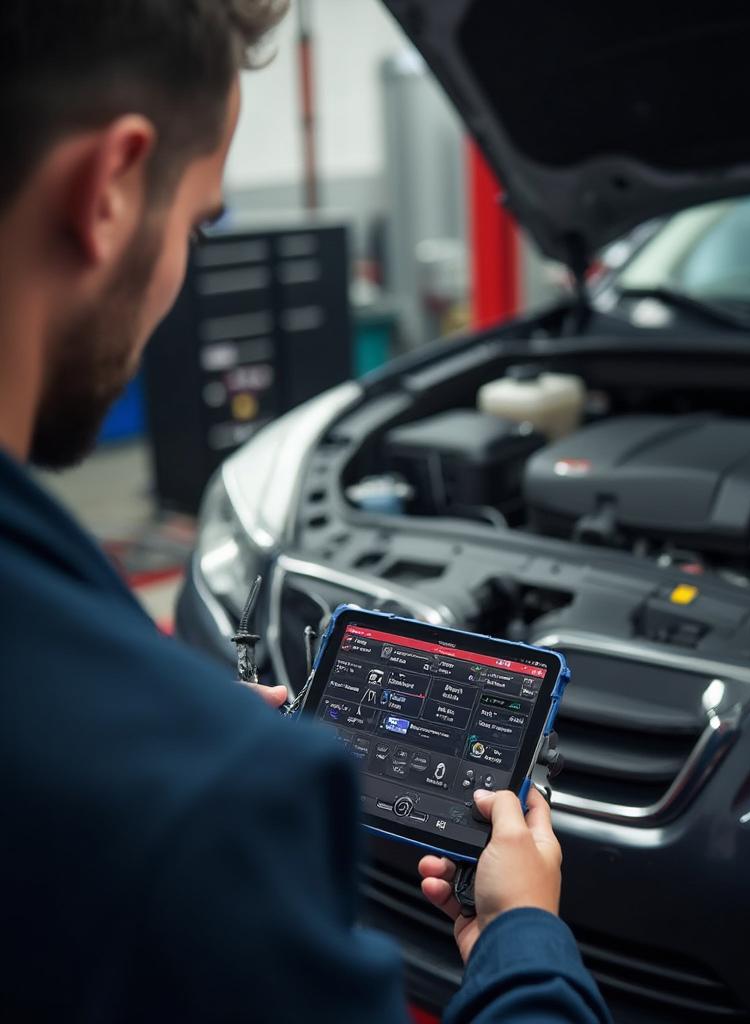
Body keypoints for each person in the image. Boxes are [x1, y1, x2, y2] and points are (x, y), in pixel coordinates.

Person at [0, 4, 612, 1022]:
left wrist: (170, 720)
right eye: (200, 221)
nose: (183, 266)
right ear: (110, 190)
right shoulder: (192, 807)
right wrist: (524, 939)